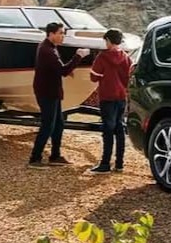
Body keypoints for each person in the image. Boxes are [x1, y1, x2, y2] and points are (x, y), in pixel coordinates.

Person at [28, 22, 89, 169]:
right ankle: (34, 158)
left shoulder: (49, 47)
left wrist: (68, 68)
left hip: (52, 91)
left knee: (59, 124)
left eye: (63, 33)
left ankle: (55, 155)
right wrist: (78, 56)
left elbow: (56, 68)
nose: (63, 36)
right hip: (47, 92)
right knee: (48, 125)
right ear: (51, 34)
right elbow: (63, 71)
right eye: (61, 33)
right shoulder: (47, 51)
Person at [88, 28, 132, 174]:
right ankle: (119, 163)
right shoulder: (126, 57)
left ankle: (105, 163)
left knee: (108, 129)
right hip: (121, 97)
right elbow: (129, 78)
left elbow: (94, 77)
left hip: (107, 96)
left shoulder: (102, 57)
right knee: (119, 128)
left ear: (108, 40)